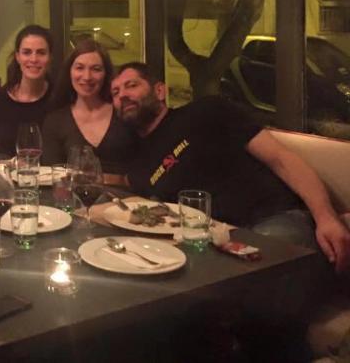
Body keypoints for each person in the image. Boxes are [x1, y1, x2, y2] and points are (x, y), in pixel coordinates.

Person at [110, 62, 350, 270]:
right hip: (213, 242)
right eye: (115, 92)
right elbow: (123, 190)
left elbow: (281, 159)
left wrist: (326, 216)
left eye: (131, 85)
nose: (122, 95)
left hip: (273, 218)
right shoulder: (139, 164)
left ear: (160, 91)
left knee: (258, 270)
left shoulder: (207, 111)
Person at [41, 38, 137, 177]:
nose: (87, 77)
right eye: (80, 68)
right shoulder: (55, 121)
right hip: (74, 191)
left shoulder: (123, 112)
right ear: (70, 72)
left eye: (96, 69)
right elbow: (53, 176)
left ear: (106, 74)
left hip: (127, 191)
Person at [0, 25, 54, 156]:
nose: (34, 59)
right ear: (17, 57)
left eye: (41, 53)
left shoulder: (60, 99)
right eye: (27, 52)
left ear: (50, 58)